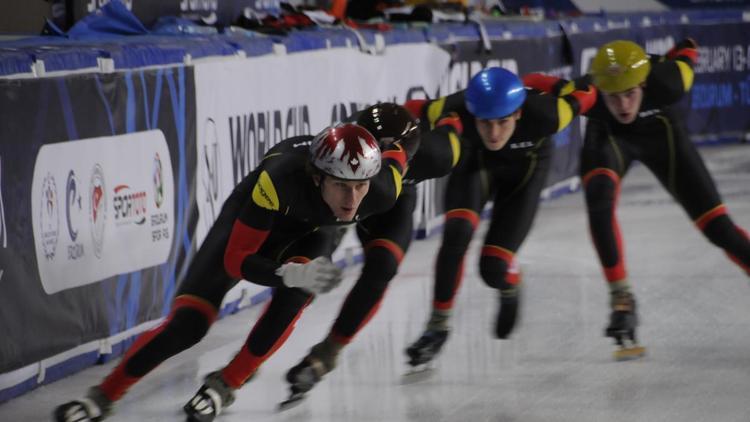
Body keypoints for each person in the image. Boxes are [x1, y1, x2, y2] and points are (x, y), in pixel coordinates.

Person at [54, 123, 413, 422]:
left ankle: (225, 385)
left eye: (359, 187)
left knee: (299, 292)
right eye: (341, 186)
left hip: (310, 235)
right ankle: (102, 396)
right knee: (188, 324)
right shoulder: (279, 179)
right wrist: (285, 273)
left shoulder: (382, 188)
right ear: (318, 177)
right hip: (254, 223)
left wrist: (400, 134)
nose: (352, 200)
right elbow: (236, 260)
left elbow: (405, 143)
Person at [403, 66, 597, 368]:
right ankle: (437, 326)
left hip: (527, 172)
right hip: (475, 164)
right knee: (456, 234)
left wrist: (538, 80)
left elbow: (586, 92)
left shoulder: (548, 113)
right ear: (472, 114)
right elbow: (409, 111)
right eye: (485, 123)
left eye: (503, 122)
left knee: (492, 268)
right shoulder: (453, 107)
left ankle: (510, 283)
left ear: (518, 114)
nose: (494, 133)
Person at [281, 102, 464, 401]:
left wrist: (443, 111)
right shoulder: (343, 144)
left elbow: (452, 124)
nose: (386, 163)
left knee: (383, 266)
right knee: (308, 264)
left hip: (392, 203)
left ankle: (328, 353)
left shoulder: (437, 154)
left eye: (394, 156)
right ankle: (263, 345)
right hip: (345, 197)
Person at [580, 39, 750, 359]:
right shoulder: (586, 94)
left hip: (662, 135)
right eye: (613, 97)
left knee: (719, 229)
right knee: (598, 198)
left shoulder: (669, 80)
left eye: (630, 93)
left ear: (644, 83)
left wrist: (663, 56)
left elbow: (688, 46)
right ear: (600, 91)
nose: (624, 106)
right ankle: (621, 298)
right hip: (609, 136)